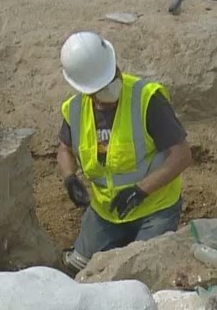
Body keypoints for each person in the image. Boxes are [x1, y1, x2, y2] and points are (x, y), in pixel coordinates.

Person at [56, 31, 193, 273]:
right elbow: (65, 149)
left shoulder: (147, 99)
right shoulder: (75, 109)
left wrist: (140, 190)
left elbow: (182, 155)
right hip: (106, 211)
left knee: (140, 273)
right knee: (79, 270)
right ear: (87, 90)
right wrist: (69, 178)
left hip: (154, 207)